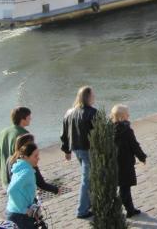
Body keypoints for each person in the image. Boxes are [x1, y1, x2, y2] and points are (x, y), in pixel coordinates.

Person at [61, 86, 97, 219]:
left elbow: (64, 133)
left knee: (89, 177)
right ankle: (82, 210)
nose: (95, 97)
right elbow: (99, 132)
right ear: (88, 97)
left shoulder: (69, 112)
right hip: (88, 149)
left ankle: (91, 204)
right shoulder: (92, 113)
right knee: (87, 179)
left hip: (76, 148)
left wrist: (66, 150)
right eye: (93, 95)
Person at [111, 104, 147, 218]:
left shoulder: (109, 130)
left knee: (123, 186)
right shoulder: (127, 131)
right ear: (123, 117)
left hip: (113, 163)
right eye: (127, 114)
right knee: (125, 188)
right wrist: (142, 157)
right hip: (125, 163)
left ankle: (130, 209)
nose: (129, 115)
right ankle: (115, 209)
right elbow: (134, 146)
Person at [5, 142, 40, 229]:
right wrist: (24, 210)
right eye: (35, 156)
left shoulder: (20, 167)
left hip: (12, 212)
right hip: (20, 216)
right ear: (26, 157)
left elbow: (20, 188)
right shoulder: (27, 172)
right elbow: (11, 190)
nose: (38, 158)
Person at [0, 107, 32, 189]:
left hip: (5, 178)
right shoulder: (24, 134)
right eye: (29, 117)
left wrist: (4, 172)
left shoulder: (3, 132)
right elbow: (27, 158)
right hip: (19, 178)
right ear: (23, 119)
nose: (31, 119)